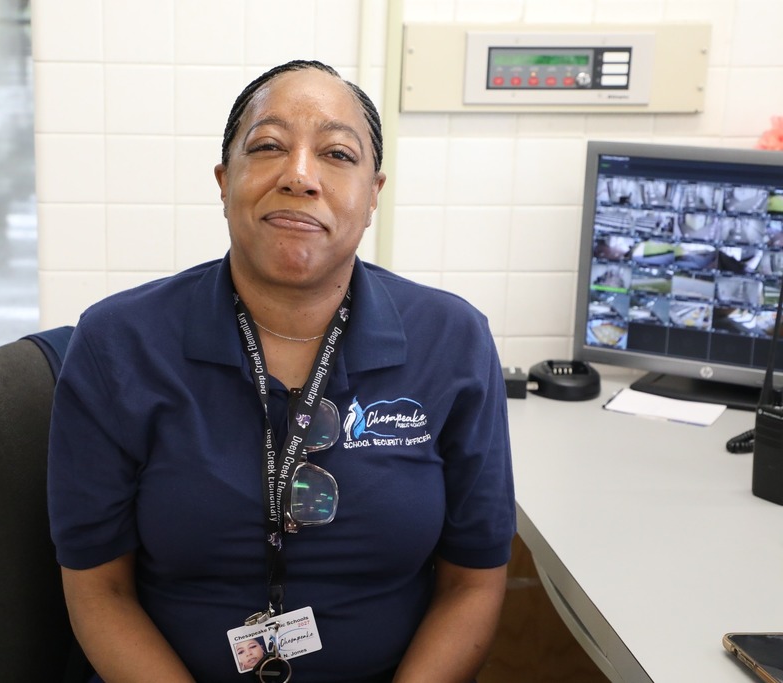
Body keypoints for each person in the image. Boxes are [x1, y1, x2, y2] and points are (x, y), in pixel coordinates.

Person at [48, 59, 516, 683]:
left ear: (373, 195)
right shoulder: (117, 343)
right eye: (268, 146)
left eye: (337, 155)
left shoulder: (453, 342)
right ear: (224, 181)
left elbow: (474, 584)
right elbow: (97, 592)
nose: (299, 175)